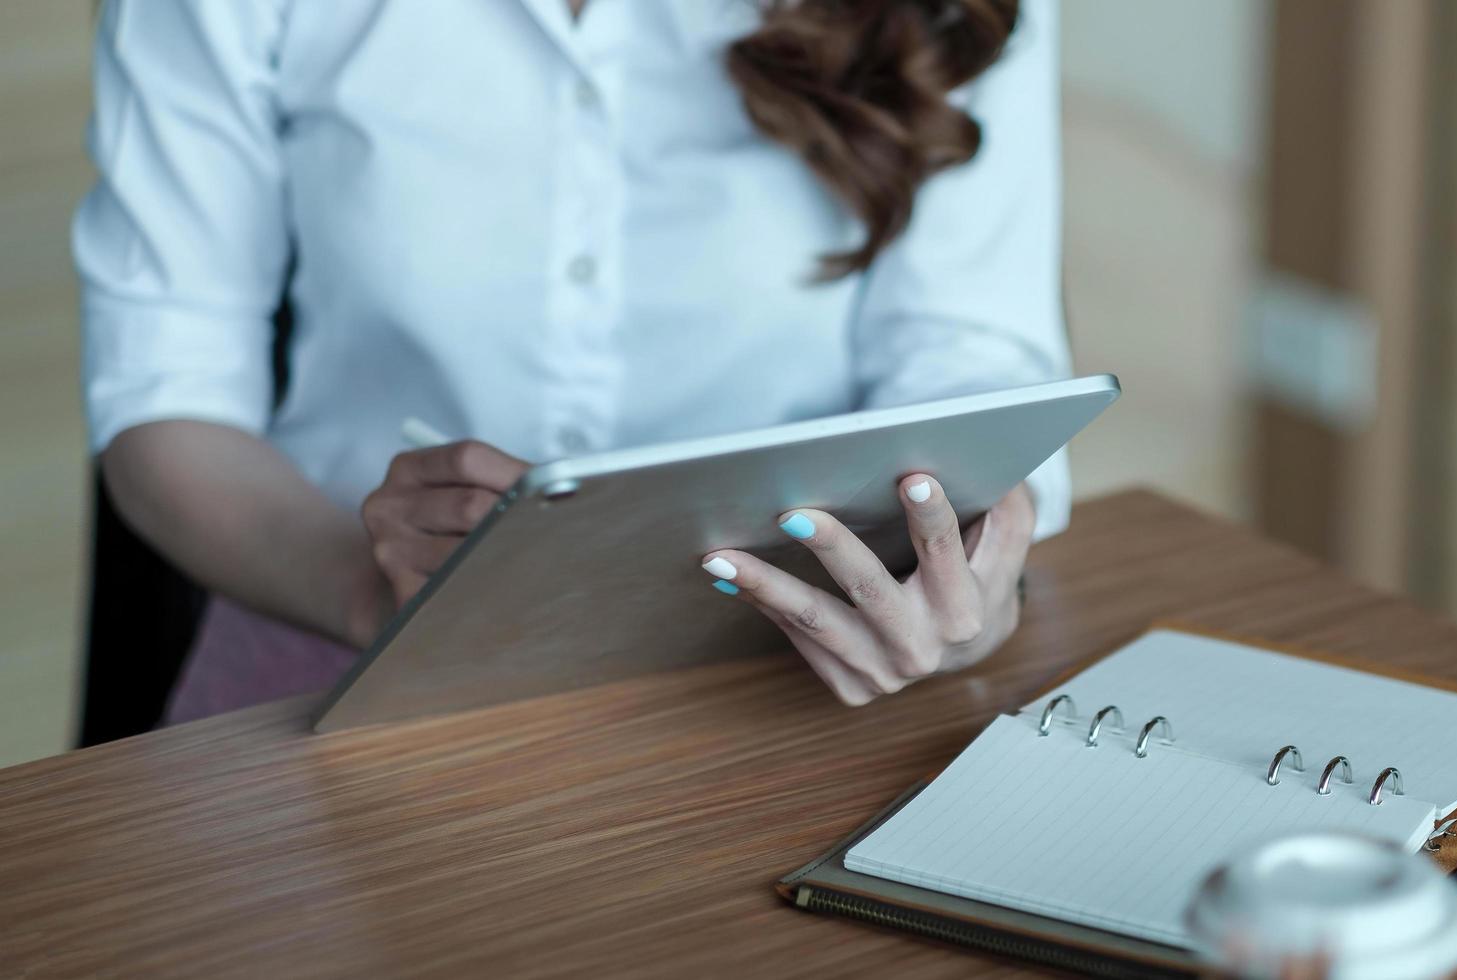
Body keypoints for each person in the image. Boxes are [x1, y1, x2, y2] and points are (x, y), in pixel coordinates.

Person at [75, 0, 1071, 723]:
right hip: (337, 660)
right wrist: (363, 589)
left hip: (787, 684)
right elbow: (165, 390)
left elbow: (968, 354)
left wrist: (960, 602)